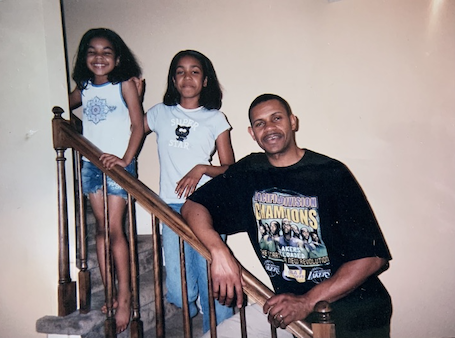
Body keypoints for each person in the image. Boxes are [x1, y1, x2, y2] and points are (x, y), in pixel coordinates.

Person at [181, 93, 392, 338]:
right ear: (252, 133)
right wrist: (219, 252)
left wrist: (306, 302)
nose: (269, 127)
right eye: (260, 123)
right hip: (287, 310)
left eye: (276, 118)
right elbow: (192, 207)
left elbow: (372, 258)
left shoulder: (330, 172)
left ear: (293, 122)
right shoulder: (250, 172)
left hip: (354, 312)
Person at [144, 50, 235, 332]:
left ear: (205, 80)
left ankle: (219, 331)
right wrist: (132, 98)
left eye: (195, 71)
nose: (187, 77)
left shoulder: (215, 118)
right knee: (177, 285)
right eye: (180, 71)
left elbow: (230, 167)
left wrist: (202, 168)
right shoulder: (159, 113)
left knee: (211, 279)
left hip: (206, 206)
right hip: (169, 206)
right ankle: (192, 307)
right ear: (173, 79)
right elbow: (133, 130)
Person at [68, 28, 144, 333]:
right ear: (84, 56)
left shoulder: (123, 84)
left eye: (106, 52)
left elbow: (138, 125)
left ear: (117, 57)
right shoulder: (84, 86)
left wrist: (125, 160)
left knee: (114, 229)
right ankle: (111, 293)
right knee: (100, 229)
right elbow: (56, 101)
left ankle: (124, 296)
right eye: (92, 51)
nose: (99, 57)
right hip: (90, 165)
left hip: (118, 167)